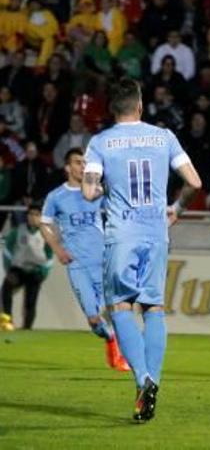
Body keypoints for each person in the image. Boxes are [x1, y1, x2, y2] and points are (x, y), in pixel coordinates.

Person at [82, 78, 203, 422]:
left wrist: (103, 186)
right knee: (153, 309)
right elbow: (194, 182)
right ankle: (152, 385)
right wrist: (176, 210)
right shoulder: (164, 137)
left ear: (112, 109)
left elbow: (89, 192)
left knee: (119, 306)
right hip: (156, 232)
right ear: (139, 105)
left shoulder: (101, 142)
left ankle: (142, 379)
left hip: (122, 234)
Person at [39, 148, 129, 371]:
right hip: (77, 264)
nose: (82, 167)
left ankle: (121, 355)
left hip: (103, 260)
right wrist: (57, 249)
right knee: (93, 319)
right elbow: (44, 223)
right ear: (68, 167)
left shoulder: (96, 193)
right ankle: (109, 339)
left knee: (116, 309)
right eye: (78, 163)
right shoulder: (56, 197)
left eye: (84, 163)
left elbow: (118, 213)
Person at [0, 203, 53, 331]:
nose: (33, 217)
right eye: (30, 214)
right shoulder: (17, 231)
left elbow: (50, 256)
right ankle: (8, 321)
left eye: (36, 215)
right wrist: (9, 268)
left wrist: (43, 272)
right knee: (6, 289)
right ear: (27, 216)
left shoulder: (46, 233)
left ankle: (27, 328)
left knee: (30, 299)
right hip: (18, 269)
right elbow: (7, 250)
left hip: (36, 270)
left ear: (41, 217)